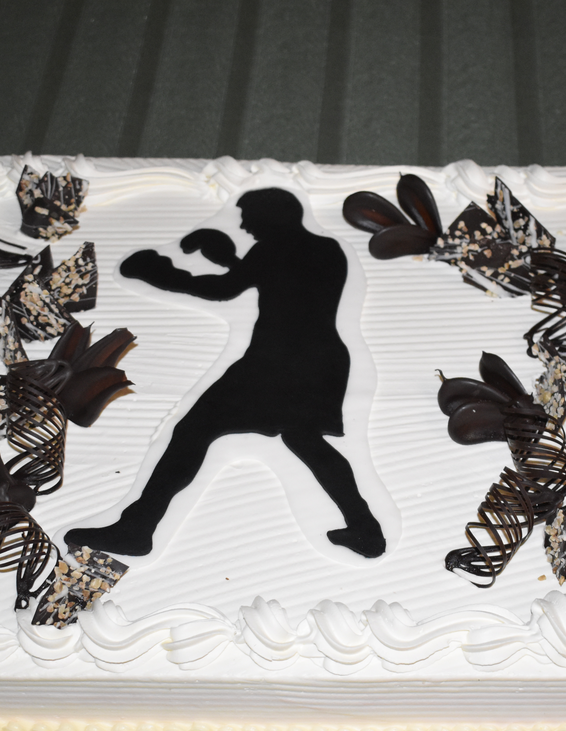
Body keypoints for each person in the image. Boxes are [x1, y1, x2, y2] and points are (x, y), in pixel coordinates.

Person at [64, 188, 386, 559]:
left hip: (277, 362)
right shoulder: (327, 249)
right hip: (321, 358)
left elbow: (223, 290)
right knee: (306, 440)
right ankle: (366, 528)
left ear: (273, 217)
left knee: (194, 431)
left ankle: (137, 528)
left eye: (249, 217)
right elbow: (286, 285)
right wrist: (231, 259)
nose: (245, 226)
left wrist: (156, 272)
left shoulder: (273, 248)